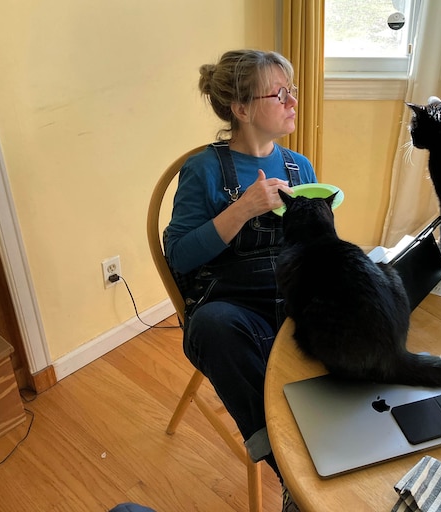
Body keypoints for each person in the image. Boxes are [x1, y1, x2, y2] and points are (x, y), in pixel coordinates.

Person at [164, 49, 315, 511]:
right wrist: (243, 207)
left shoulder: (299, 168)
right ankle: (291, 470)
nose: (293, 101)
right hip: (233, 308)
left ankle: (341, 441)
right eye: (280, 93)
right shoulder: (205, 171)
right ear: (242, 109)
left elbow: (313, 249)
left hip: (291, 300)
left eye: (291, 90)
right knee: (213, 328)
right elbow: (179, 255)